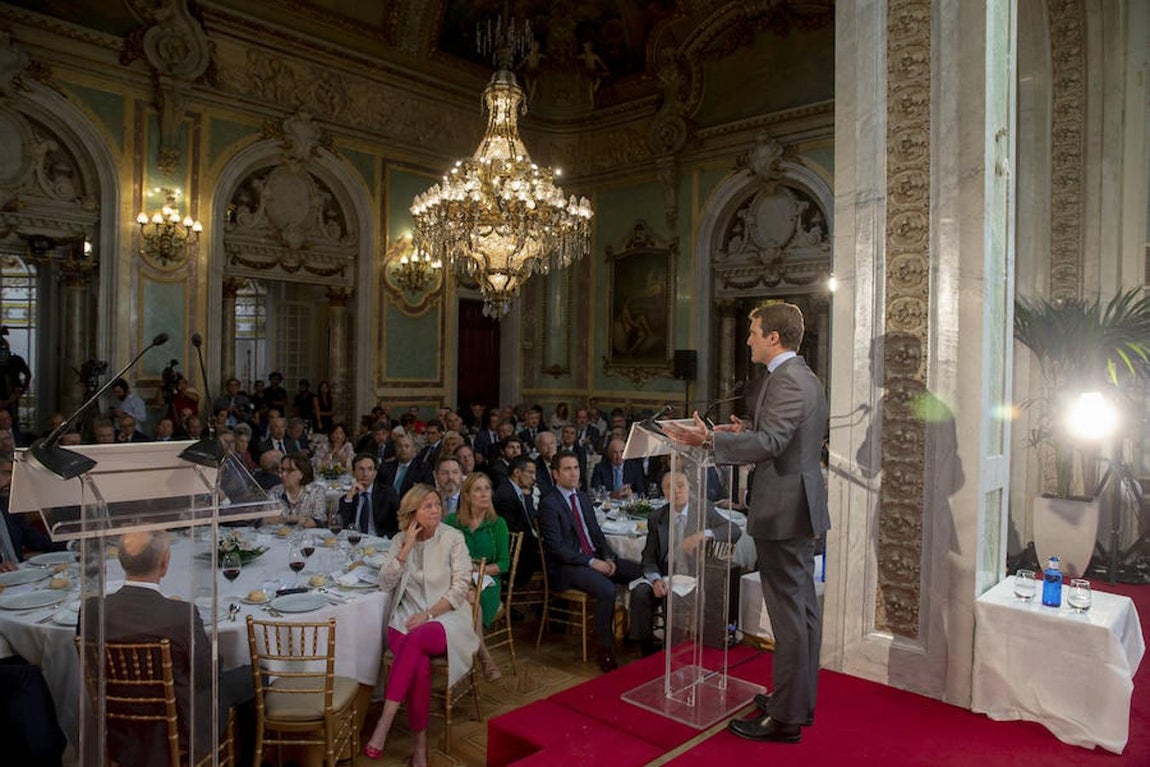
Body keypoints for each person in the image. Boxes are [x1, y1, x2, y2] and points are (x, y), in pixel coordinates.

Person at [665, 301, 828, 744]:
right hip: (796, 506)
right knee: (803, 614)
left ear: (774, 337)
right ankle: (795, 700)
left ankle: (786, 719)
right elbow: (780, 436)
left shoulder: (787, 380)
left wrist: (710, 438)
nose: (749, 339)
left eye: (754, 332)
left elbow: (774, 443)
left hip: (785, 509)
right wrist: (744, 432)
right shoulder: (801, 376)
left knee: (790, 616)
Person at [79, 530, 253, 767]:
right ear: (164, 562)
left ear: (121, 562)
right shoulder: (181, 614)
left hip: (119, 726)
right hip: (179, 727)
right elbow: (204, 676)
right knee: (253, 674)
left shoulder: (89, 611)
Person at [362, 485, 479, 765]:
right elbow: (386, 583)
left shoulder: (453, 538)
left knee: (416, 642)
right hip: (404, 620)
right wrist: (406, 548)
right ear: (412, 511)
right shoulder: (401, 539)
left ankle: (385, 722)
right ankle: (420, 746)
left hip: (445, 618)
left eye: (437, 504)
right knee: (421, 668)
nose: (435, 510)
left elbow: (461, 587)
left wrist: (428, 614)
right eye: (427, 506)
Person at [537, 450, 642, 673]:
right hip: (567, 567)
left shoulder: (583, 498)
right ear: (555, 474)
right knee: (606, 589)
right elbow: (558, 549)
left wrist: (608, 557)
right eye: (567, 469)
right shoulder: (549, 504)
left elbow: (596, 533)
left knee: (638, 571)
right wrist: (592, 563)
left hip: (594, 557)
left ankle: (637, 635)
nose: (573, 473)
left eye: (575, 468)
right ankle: (605, 649)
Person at [630, 471, 742, 655]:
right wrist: (656, 579)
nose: (676, 490)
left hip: (691, 575)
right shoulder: (657, 517)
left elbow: (735, 531)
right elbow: (649, 557)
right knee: (640, 593)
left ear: (689, 487)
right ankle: (647, 651)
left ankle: (671, 652)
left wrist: (703, 534)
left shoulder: (702, 509)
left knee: (671, 600)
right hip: (665, 573)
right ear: (663, 492)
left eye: (680, 485)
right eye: (669, 487)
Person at [445, 472, 509, 681]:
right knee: (468, 601)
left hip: (487, 582)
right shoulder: (452, 522)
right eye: (478, 490)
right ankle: (484, 658)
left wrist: (477, 570)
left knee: (472, 603)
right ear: (466, 495)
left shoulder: (497, 524)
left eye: (487, 489)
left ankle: (481, 659)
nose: (484, 494)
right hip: (456, 579)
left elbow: (503, 563)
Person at [492, 454, 542, 585]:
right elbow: (515, 530)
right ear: (517, 472)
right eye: (530, 473)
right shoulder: (506, 495)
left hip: (524, 548)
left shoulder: (515, 491)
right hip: (517, 555)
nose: (534, 478)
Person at [340, 452, 400, 536]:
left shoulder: (388, 493)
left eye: (369, 469)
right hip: (354, 541)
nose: (365, 474)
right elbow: (340, 525)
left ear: (375, 473)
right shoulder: (348, 498)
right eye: (361, 469)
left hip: (380, 542)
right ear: (353, 472)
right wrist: (349, 498)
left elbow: (401, 522)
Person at [263, 453, 326, 527]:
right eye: (282, 470)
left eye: (289, 471)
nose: (283, 475)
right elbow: (267, 520)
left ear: (302, 473)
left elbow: (320, 522)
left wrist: (297, 519)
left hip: (308, 536)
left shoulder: (316, 491)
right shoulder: (275, 492)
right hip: (279, 535)